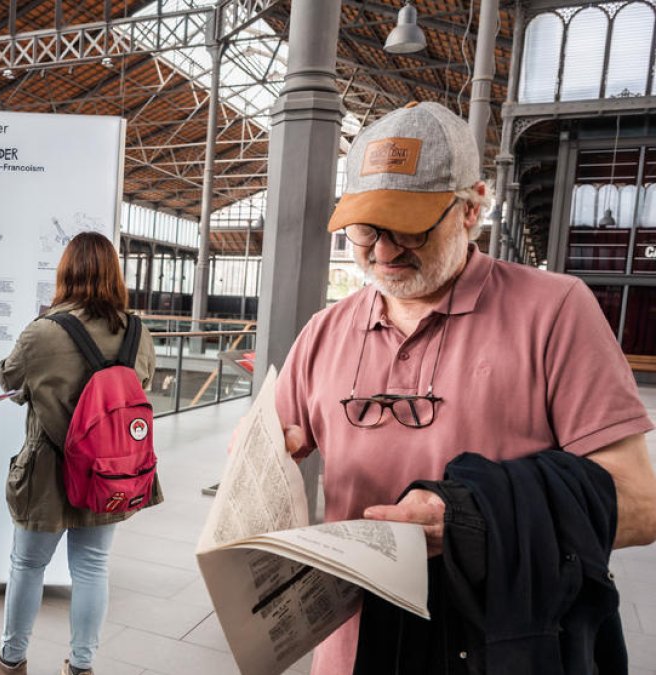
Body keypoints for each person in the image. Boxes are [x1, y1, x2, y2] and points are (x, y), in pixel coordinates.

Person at [274, 101, 656, 673]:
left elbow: (641, 506)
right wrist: (264, 461)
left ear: (472, 208)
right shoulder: (323, 331)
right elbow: (272, 449)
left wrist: (471, 522)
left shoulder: (556, 311)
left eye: (407, 226)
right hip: (352, 649)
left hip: (494, 646)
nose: (380, 251)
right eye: (363, 228)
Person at [0, 232, 159, 675]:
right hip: (109, 472)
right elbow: (141, 391)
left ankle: (11, 661)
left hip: (47, 471)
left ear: (65, 272)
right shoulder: (138, 333)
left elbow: (9, 379)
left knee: (27, 565)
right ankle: (81, 667)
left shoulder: (44, 332)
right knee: (93, 569)